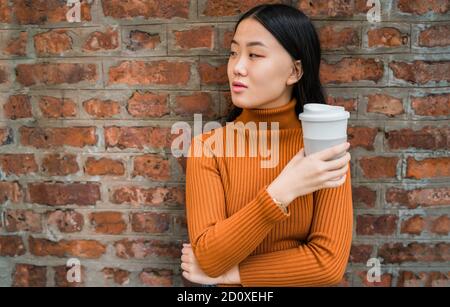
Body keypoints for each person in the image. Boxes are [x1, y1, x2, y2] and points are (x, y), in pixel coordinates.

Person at [181, 3, 352, 287]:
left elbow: (327, 264)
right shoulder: (208, 148)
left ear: (294, 71)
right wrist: (283, 190)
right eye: (234, 53)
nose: (237, 67)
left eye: (255, 55)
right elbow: (210, 256)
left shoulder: (324, 148)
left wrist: (231, 274)